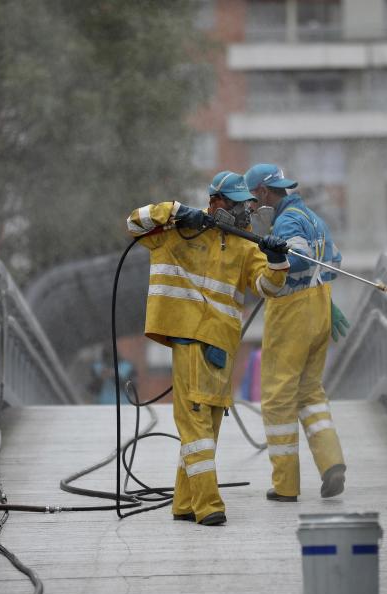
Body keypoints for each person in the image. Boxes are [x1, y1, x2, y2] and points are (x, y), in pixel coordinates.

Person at [126, 171, 289, 526]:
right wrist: (174, 211)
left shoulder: (245, 246)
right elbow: (135, 222)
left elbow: (268, 288)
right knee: (198, 423)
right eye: (233, 203)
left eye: (244, 204)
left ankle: (191, 502)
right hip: (188, 337)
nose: (242, 211)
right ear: (215, 201)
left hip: (220, 343)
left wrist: (277, 261)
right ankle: (203, 504)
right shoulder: (178, 230)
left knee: (204, 425)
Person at [244, 163, 348, 502]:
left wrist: (277, 253)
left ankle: (286, 485)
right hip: (319, 306)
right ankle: (332, 462)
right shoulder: (314, 218)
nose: (250, 209)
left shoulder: (287, 221)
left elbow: (299, 258)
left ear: (261, 193)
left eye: (251, 201)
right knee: (310, 393)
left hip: (292, 312)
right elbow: (334, 258)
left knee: (277, 398)